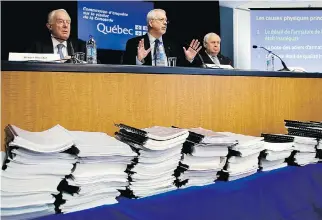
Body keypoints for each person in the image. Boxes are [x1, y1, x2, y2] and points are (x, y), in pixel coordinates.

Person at [122, 9, 202, 66]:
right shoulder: (134, 43)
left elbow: (180, 69)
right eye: (161, 20)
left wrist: (189, 60)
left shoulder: (173, 45)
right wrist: (139, 60)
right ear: (151, 23)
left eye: (166, 20)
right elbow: (125, 69)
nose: (165, 23)